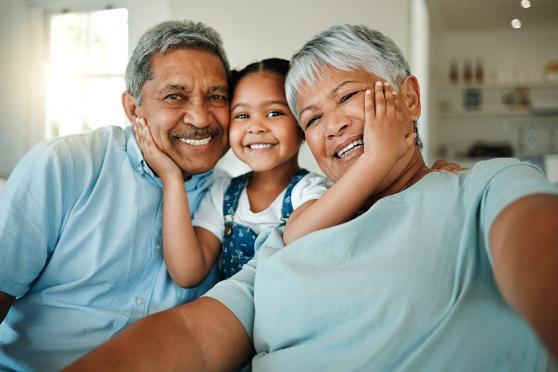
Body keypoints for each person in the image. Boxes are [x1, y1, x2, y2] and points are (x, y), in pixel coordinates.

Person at [67, 24, 558, 371]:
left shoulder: (485, 187)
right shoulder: (292, 233)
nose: (333, 125)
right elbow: (194, 336)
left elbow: (537, 245)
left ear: (409, 99)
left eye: (347, 97)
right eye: (313, 117)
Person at [0, 20, 232, 370]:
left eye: (216, 96)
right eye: (175, 96)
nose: (200, 117)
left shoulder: (232, 197)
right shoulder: (64, 165)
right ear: (133, 108)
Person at [131, 57, 415, 287]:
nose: (256, 127)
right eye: (242, 116)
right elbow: (187, 273)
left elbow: (299, 231)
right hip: (232, 329)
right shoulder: (223, 195)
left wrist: (376, 158)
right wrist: (171, 178)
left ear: (303, 126)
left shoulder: (314, 191)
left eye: (274, 113)